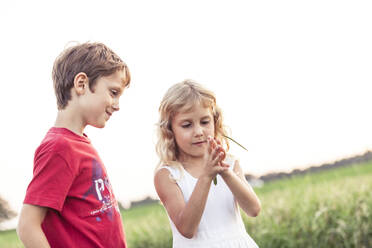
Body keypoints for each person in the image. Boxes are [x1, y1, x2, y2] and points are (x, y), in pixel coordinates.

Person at [17, 42, 131, 248]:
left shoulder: (79, 143)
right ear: (81, 84)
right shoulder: (60, 147)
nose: (117, 105)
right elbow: (27, 225)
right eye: (113, 93)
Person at [154, 80, 261, 247]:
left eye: (205, 122)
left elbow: (253, 209)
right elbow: (187, 229)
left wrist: (225, 172)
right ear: (170, 130)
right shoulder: (168, 175)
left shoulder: (230, 163)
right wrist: (207, 175)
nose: (198, 132)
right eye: (187, 125)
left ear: (215, 122)